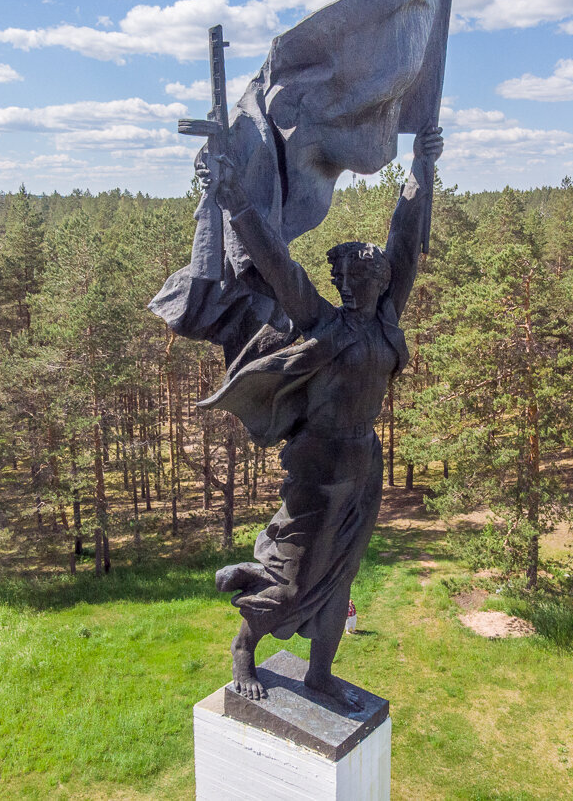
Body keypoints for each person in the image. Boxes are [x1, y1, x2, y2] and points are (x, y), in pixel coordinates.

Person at [202, 127, 443, 710]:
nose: (349, 287)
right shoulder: (324, 324)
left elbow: (405, 240)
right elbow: (280, 266)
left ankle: (319, 674)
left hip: (364, 463)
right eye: (343, 281)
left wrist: (421, 169)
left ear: (380, 279)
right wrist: (236, 203)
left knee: (340, 578)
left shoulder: (386, 321)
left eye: (360, 279)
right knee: (298, 573)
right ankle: (244, 643)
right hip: (320, 463)